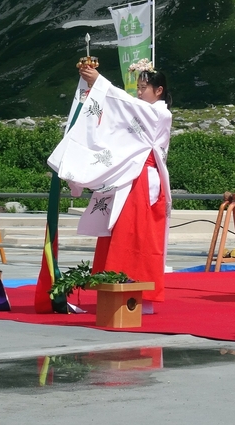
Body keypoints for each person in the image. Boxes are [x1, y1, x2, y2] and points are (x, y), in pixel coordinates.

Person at [47, 58, 172, 313]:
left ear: (158, 91)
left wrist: (100, 84)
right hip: (130, 174)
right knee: (119, 231)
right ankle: (115, 285)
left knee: (137, 234)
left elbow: (127, 107)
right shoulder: (144, 109)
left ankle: (139, 292)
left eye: (144, 88)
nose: (139, 92)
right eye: (137, 88)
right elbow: (123, 115)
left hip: (143, 178)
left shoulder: (161, 112)